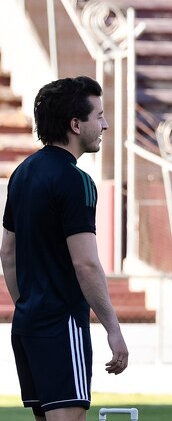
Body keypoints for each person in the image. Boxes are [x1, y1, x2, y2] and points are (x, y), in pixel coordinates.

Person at [1, 76, 129, 420]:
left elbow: (7, 252)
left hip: (27, 324)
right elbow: (86, 264)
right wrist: (113, 329)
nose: (104, 124)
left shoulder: (22, 173)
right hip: (61, 324)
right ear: (76, 124)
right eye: (98, 116)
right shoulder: (76, 181)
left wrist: (28, 306)